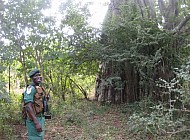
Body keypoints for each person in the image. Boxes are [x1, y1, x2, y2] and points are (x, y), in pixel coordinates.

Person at [23, 69, 48, 140]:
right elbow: (28, 106)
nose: (39, 77)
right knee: (35, 138)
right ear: (32, 78)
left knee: (39, 137)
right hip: (34, 120)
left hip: (40, 117)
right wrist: (36, 122)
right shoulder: (31, 88)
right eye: (36, 76)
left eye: (39, 75)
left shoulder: (39, 88)